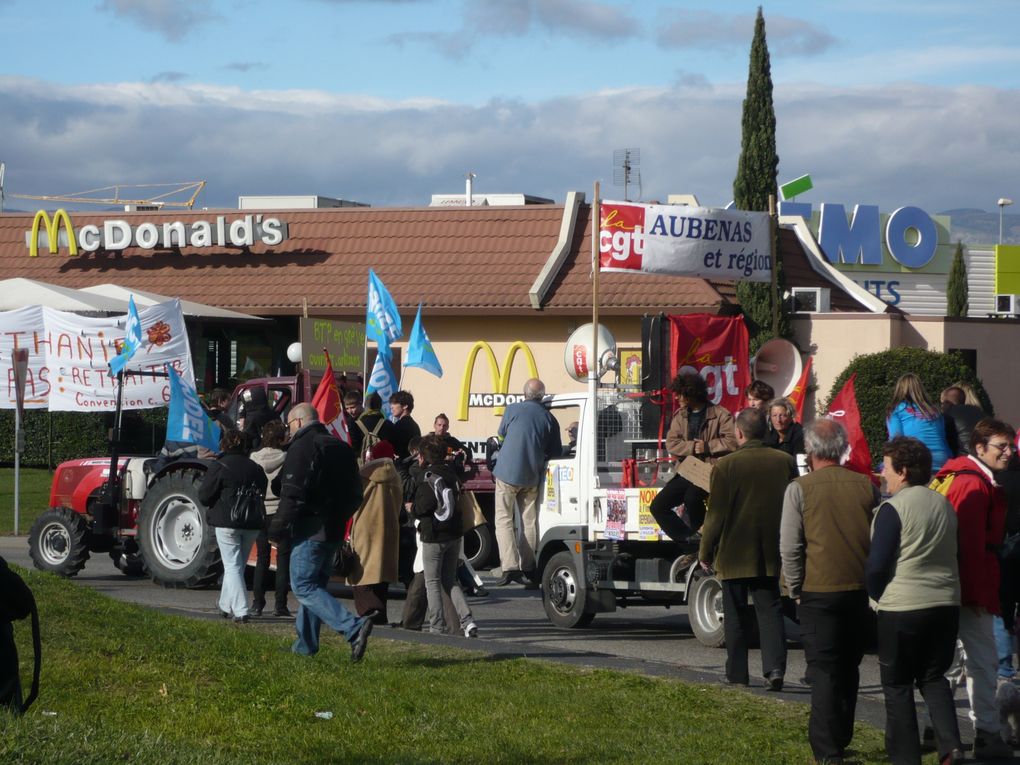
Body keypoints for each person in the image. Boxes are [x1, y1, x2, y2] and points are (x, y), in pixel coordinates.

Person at [780, 419, 880, 763]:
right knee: (849, 666)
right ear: (840, 448)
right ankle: (842, 732)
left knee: (823, 669)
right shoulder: (866, 486)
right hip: (858, 588)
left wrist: (794, 588)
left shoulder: (800, 488)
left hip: (816, 589)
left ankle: (826, 749)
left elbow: (790, 546)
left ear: (810, 451)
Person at [865, 436, 964, 765]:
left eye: (887, 467)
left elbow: (878, 564)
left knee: (896, 685)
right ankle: (951, 747)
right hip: (945, 602)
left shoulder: (893, 508)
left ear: (903, 471)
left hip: (903, 605)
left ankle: (906, 757)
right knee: (934, 677)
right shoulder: (944, 504)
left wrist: (876, 594)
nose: (883, 474)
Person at [932, 418, 1016, 758]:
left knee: (952, 663)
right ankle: (987, 734)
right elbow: (967, 544)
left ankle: (935, 728)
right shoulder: (975, 485)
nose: (1009, 453)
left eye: (1010, 446)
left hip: (960, 586)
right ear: (979, 448)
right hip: (972, 587)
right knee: (982, 662)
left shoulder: (962, 476)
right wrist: (973, 593)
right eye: (1002, 446)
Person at [699, 407, 797, 690]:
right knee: (770, 611)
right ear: (765, 430)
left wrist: (705, 551)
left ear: (739, 433)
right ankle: (775, 669)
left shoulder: (727, 466)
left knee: (736, 614)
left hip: (734, 551)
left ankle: (737, 673)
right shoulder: (784, 461)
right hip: (770, 548)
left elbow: (715, 515)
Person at [268, 403, 373, 662]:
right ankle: (306, 646)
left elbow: (292, 492)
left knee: (303, 586)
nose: (288, 431)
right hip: (334, 529)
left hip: (310, 528)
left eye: (290, 425)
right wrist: (341, 518)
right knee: (314, 587)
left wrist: (278, 528)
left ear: (300, 422)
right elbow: (356, 493)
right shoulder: (339, 446)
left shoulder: (304, 446)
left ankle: (353, 627)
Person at [650, 372, 736, 543]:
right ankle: (690, 542)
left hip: (711, 471)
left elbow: (733, 442)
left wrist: (708, 446)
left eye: (680, 394)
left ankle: (708, 540)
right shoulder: (680, 415)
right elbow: (671, 443)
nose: (677, 398)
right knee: (658, 506)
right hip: (688, 470)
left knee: (692, 498)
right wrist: (691, 447)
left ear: (691, 393)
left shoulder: (720, 414)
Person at [491, 378, 561, 586]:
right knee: (529, 521)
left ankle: (510, 567)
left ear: (524, 394)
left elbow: (501, 434)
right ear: (542, 396)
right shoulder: (550, 419)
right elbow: (555, 452)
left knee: (503, 520)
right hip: (531, 476)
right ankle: (528, 567)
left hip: (506, 474)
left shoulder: (512, 409)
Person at [198, 428, 268, 623]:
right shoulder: (255, 467)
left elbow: (204, 496)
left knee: (232, 566)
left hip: (227, 521)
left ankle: (241, 610)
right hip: (252, 521)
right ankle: (224, 604)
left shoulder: (219, 466)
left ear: (225, 445)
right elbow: (263, 488)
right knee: (237, 565)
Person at [413, 435, 478, 637]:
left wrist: (411, 508)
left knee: (432, 582)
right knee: (450, 580)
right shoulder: (452, 474)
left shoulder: (428, 477)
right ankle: (467, 620)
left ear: (424, 457)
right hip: (454, 534)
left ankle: (436, 626)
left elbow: (423, 506)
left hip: (434, 534)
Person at [346, 440, 403, 626]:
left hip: (365, 527)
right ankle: (380, 615)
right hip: (389, 528)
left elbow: (352, 500)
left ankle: (370, 611)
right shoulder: (396, 476)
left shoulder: (364, 475)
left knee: (360, 574)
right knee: (381, 575)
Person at [250, 419, 291, 618]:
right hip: (279, 510)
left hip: (260, 510)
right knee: (283, 559)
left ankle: (257, 603)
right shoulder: (286, 457)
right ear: (280, 438)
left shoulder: (253, 458)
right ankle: (280, 605)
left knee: (262, 559)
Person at [886, 373, 951, 472]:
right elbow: (943, 439)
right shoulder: (935, 411)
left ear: (899, 389)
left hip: (917, 461)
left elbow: (895, 441)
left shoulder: (896, 410)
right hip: (942, 462)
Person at [941, 385, 986, 457]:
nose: (941, 407)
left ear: (946, 403)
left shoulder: (948, 416)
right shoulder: (979, 412)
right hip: (983, 455)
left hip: (963, 458)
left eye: (942, 403)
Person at [353, 391, 396, 461]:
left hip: (362, 467)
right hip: (382, 465)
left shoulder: (355, 424)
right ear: (380, 406)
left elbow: (354, 449)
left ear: (365, 405)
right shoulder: (388, 424)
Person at [240, 386, 278, 452]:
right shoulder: (272, 414)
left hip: (255, 455)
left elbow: (246, 441)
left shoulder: (250, 418)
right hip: (275, 451)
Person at [389, 390, 422, 460]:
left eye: (395, 403)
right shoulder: (415, 426)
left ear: (405, 406)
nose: (391, 406)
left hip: (401, 466)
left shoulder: (399, 426)